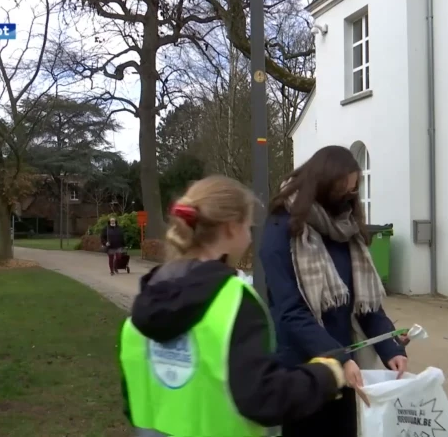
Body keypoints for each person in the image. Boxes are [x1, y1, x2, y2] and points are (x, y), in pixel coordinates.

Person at [119, 175, 347, 436]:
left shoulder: (149, 296)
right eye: (248, 227)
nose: (250, 239)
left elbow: (134, 399)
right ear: (230, 228)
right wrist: (324, 375)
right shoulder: (233, 301)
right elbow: (263, 400)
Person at [261, 145, 408, 437]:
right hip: (303, 370)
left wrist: (391, 347)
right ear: (321, 185)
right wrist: (338, 358)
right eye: (341, 191)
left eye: (353, 191)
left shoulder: (346, 230)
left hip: (344, 367)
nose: (347, 198)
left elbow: (366, 306)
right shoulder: (282, 225)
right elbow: (291, 311)